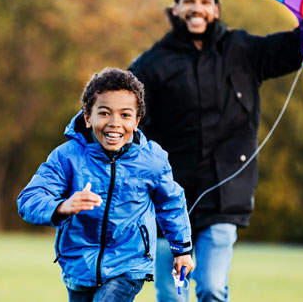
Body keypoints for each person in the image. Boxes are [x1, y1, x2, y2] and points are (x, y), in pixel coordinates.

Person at [129, 0, 303, 302]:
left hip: (225, 197)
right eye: (189, 2)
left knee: (212, 287)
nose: (197, 8)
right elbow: (122, 113)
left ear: (217, 9)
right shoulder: (151, 65)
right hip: (166, 200)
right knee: (172, 294)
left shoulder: (243, 50)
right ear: (175, 9)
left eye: (205, 2)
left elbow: (296, 47)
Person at [18, 68, 195, 302]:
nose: (114, 123)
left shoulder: (152, 160)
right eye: (104, 113)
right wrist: (63, 206)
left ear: (136, 120)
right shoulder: (67, 157)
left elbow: (171, 204)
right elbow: (29, 198)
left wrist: (181, 250)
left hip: (128, 264)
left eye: (125, 115)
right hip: (79, 264)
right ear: (87, 117)